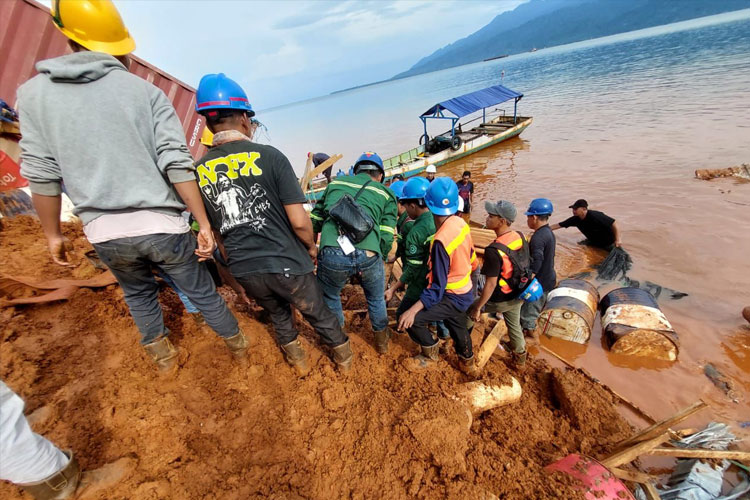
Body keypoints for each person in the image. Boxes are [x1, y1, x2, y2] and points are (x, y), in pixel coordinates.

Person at [17, 0, 243, 373]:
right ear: (121, 44)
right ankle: (239, 347)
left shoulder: (33, 96)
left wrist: (52, 234)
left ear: (67, 34)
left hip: (104, 231)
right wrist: (203, 223)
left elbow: (42, 173)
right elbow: (176, 164)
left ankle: (164, 358)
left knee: (138, 294)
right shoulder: (145, 93)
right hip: (162, 225)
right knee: (202, 290)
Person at [194, 74, 351, 375]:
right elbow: (298, 220)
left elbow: (216, 232)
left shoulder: (199, 170)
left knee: (279, 315)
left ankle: (299, 364)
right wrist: (310, 246)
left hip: (244, 267)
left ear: (208, 122)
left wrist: (233, 266)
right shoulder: (271, 157)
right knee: (317, 312)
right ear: (243, 117)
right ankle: (344, 363)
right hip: (286, 263)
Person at [311, 152, 398, 354]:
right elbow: (386, 236)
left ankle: (340, 344)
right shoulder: (387, 194)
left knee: (330, 295)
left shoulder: (334, 185)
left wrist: (311, 249)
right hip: (369, 253)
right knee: (376, 299)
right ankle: (382, 345)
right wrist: (380, 257)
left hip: (333, 251)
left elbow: (315, 220)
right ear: (380, 176)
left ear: (356, 170)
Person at [398, 177, 479, 376]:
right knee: (456, 323)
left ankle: (430, 355)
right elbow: (473, 259)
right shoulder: (461, 224)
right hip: (465, 290)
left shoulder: (440, 241)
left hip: (450, 294)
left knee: (412, 320)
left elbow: (436, 288)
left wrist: (412, 310)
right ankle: (467, 361)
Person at [468, 200, 530, 367]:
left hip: (501, 298)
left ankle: (463, 345)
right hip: (519, 292)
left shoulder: (493, 250)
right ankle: (520, 360)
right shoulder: (520, 236)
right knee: (514, 326)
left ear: (502, 221)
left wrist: (478, 307)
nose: (487, 218)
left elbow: (490, 285)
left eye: (490, 216)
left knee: (467, 312)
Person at [385, 177, 433, 324]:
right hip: (433, 279)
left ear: (412, 205)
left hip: (419, 282)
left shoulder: (413, 230)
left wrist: (393, 288)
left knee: (403, 315)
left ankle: (428, 341)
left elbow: (413, 269)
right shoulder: (434, 218)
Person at [520, 198, 556, 338]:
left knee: (528, 315)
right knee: (529, 311)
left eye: (528, 216)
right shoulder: (548, 232)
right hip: (548, 277)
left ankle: (532, 340)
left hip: (540, 282)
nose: (527, 220)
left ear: (534, 217)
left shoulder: (538, 237)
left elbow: (538, 259)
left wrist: (530, 276)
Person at [552, 199, 621, 250]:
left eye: (575, 209)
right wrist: (542, 229)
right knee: (580, 247)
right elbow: (558, 225)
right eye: (573, 209)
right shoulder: (575, 219)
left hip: (609, 243)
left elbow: (614, 223)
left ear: (584, 209)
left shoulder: (595, 216)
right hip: (594, 242)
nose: (573, 211)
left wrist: (618, 240)